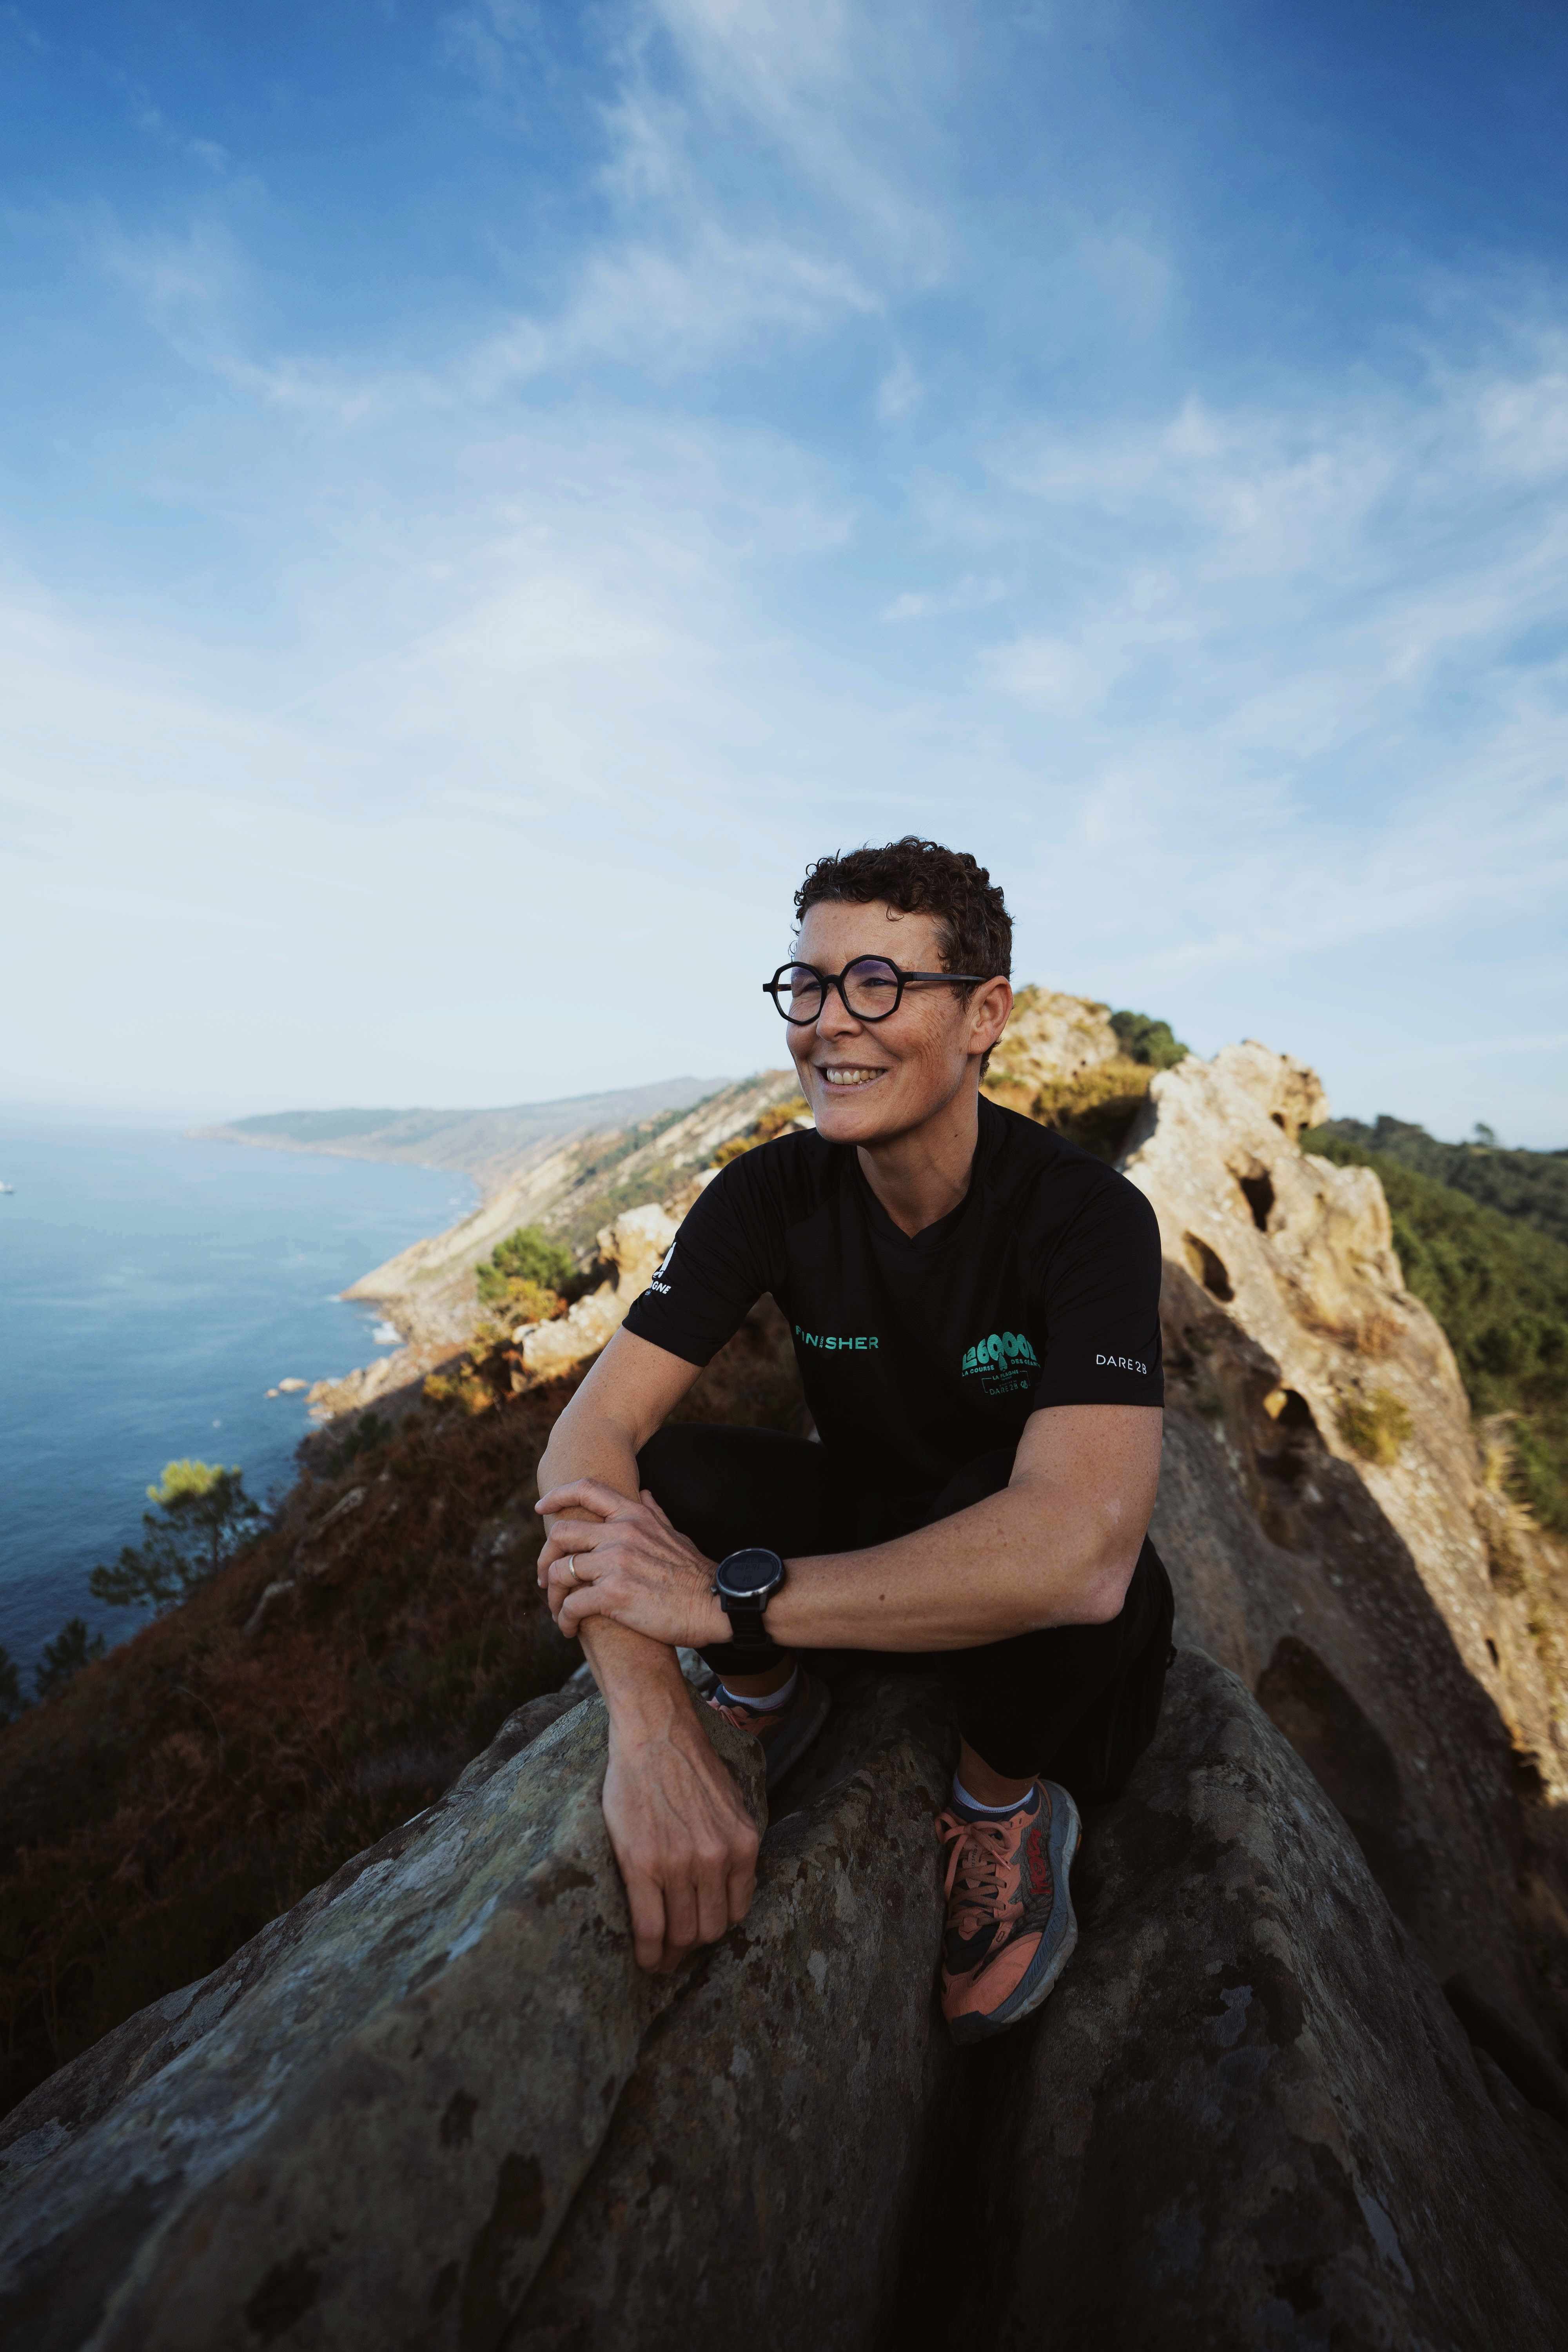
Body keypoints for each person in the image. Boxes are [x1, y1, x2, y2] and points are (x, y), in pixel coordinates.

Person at [534, 837, 1173, 2045]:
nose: (829, 1022)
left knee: (1068, 1551)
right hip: (863, 1543)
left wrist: (722, 1607)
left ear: (985, 1016)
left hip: (1031, 1631)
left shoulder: (1086, 1218)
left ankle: (1000, 1807)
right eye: (810, 984)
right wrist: (652, 1720)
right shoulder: (772, 1194)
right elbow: (587, 1439)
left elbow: (1081, 1550)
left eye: (879, 985)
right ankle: (768, 1705)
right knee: (666, 1471)